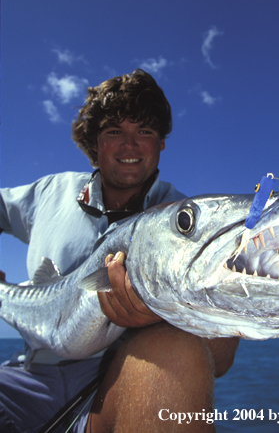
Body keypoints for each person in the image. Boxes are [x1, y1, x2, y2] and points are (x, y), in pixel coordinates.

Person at [0, 70, 239, 433]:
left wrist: (162, 317)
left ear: (161, 143)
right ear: (94, 143)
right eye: (114, 131)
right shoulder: (52, 191)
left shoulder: (186, 218)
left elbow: (219, 360)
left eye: (145, 131)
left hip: (121, 381)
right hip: (29, 376)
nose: (130, 145)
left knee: (176, 350)